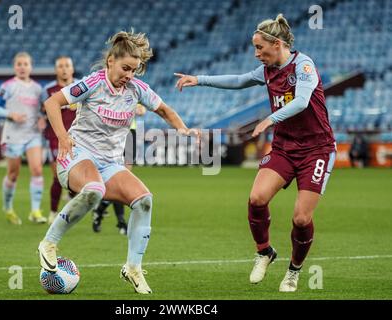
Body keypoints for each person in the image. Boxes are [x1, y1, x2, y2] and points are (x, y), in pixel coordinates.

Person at [175, 14, 336, 292]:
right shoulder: (267, 71)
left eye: (260, 47)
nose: (256, 53)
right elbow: (238, 80)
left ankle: (294, 271)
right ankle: (264, 252)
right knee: (257, 198)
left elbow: (301, 101)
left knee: (301, 218)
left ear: (276, 44)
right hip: (285, 147)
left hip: (317, 150)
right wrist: (198, 79)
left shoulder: (303, 65)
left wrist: (269, 120)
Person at [37, 30, 199, 294]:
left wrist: (183, 130)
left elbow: (164, 110)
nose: (129, 75)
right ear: (111, 61)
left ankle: (133, 267)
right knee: (94, 190)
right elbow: (52, 102)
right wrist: (63, 138)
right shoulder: (92, 83)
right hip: (78, 157)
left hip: (111, 163)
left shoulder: (136, 89)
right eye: (125, 68)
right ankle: (49, 243)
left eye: (134, 70)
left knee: (144, 199)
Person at [0, 52, 47, 225]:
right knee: (13, 174)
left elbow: (43, 110)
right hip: (12, 135)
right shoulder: (7, 86)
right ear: (14, 66)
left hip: (32, 135)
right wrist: (10, 114)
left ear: (31, 66)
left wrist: (41, 118)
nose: (22, 67)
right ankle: (8, 208)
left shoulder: (38, 89)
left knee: (37, 170)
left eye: (25, 64)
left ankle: (35, 211)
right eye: (19, 64)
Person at [92, 103, 147, 235]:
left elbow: (142, 110)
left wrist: (139, 109)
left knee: (124, 179)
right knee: (118, 180)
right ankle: (121, 221)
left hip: (130, 134)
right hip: (112, 134)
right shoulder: (108, 89)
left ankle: (100, 209)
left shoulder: (132, 89)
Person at [41, 56, 79, 224]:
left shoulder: (81, 86)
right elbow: (42, 111)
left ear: (72, 69)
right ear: (56, 70)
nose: (64, 69)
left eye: (67, 66)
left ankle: (70, 209)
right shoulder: (49, 90)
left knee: (76, 178)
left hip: (79, 138)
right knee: (57, 176)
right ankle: (53, 212)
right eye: (61, 66)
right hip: (55, 138)